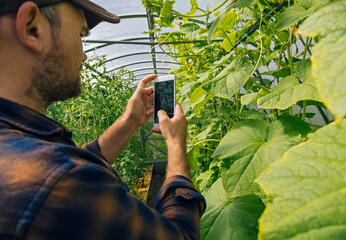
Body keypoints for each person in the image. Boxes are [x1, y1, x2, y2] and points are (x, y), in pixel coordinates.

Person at [0, 0, 206, 239]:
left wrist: (129, 121)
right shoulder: (57, 180)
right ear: (31, 27)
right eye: (80, 34)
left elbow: (80, 160)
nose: (85, 55)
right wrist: (175, 142)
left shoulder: (17, 144)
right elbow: (183, 236)